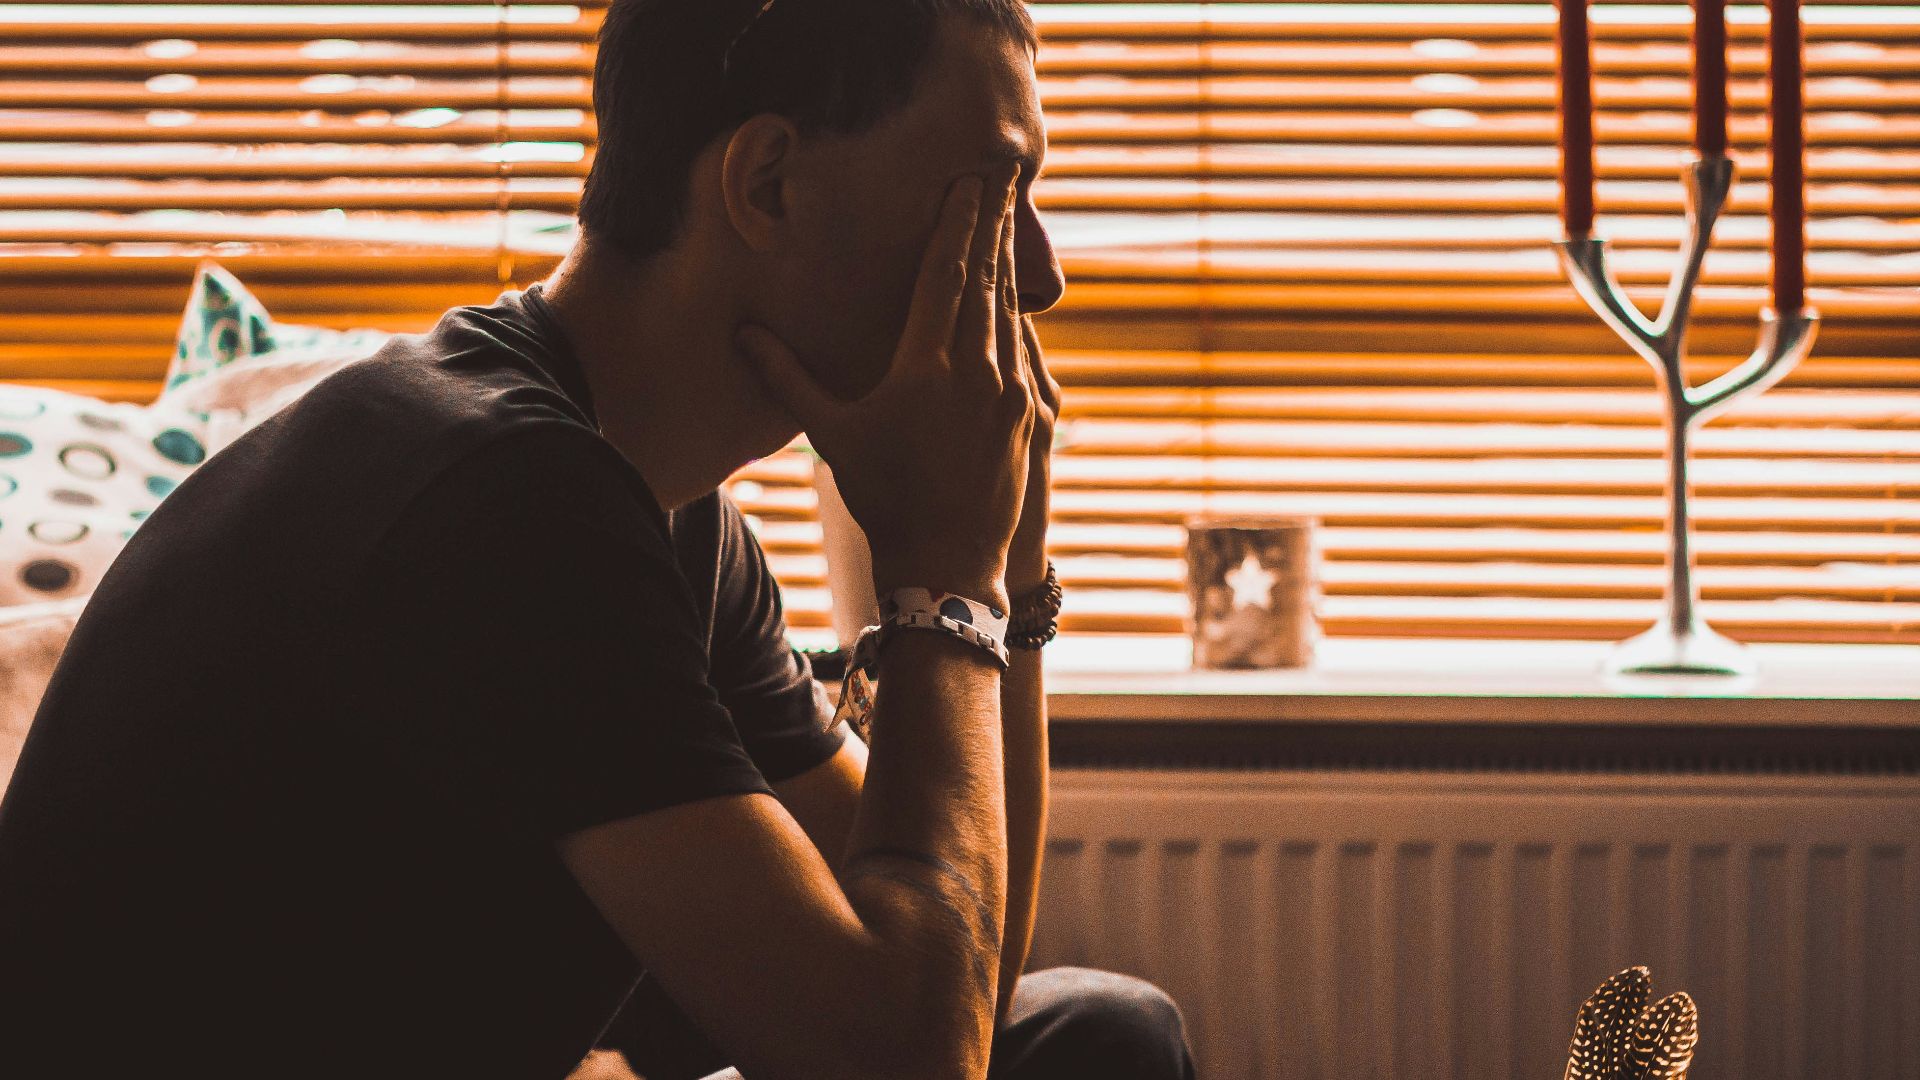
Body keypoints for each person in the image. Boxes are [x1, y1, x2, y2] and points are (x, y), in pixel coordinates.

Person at [0, 1, 1197, 1078]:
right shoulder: (497, 492)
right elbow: (908, 1065)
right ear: (768, 182)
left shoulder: (657, 512)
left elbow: (964, 989)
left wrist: (1004, 571)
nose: (1038, 278)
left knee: (1093, 1030)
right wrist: (948, 583)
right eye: (992, 192)